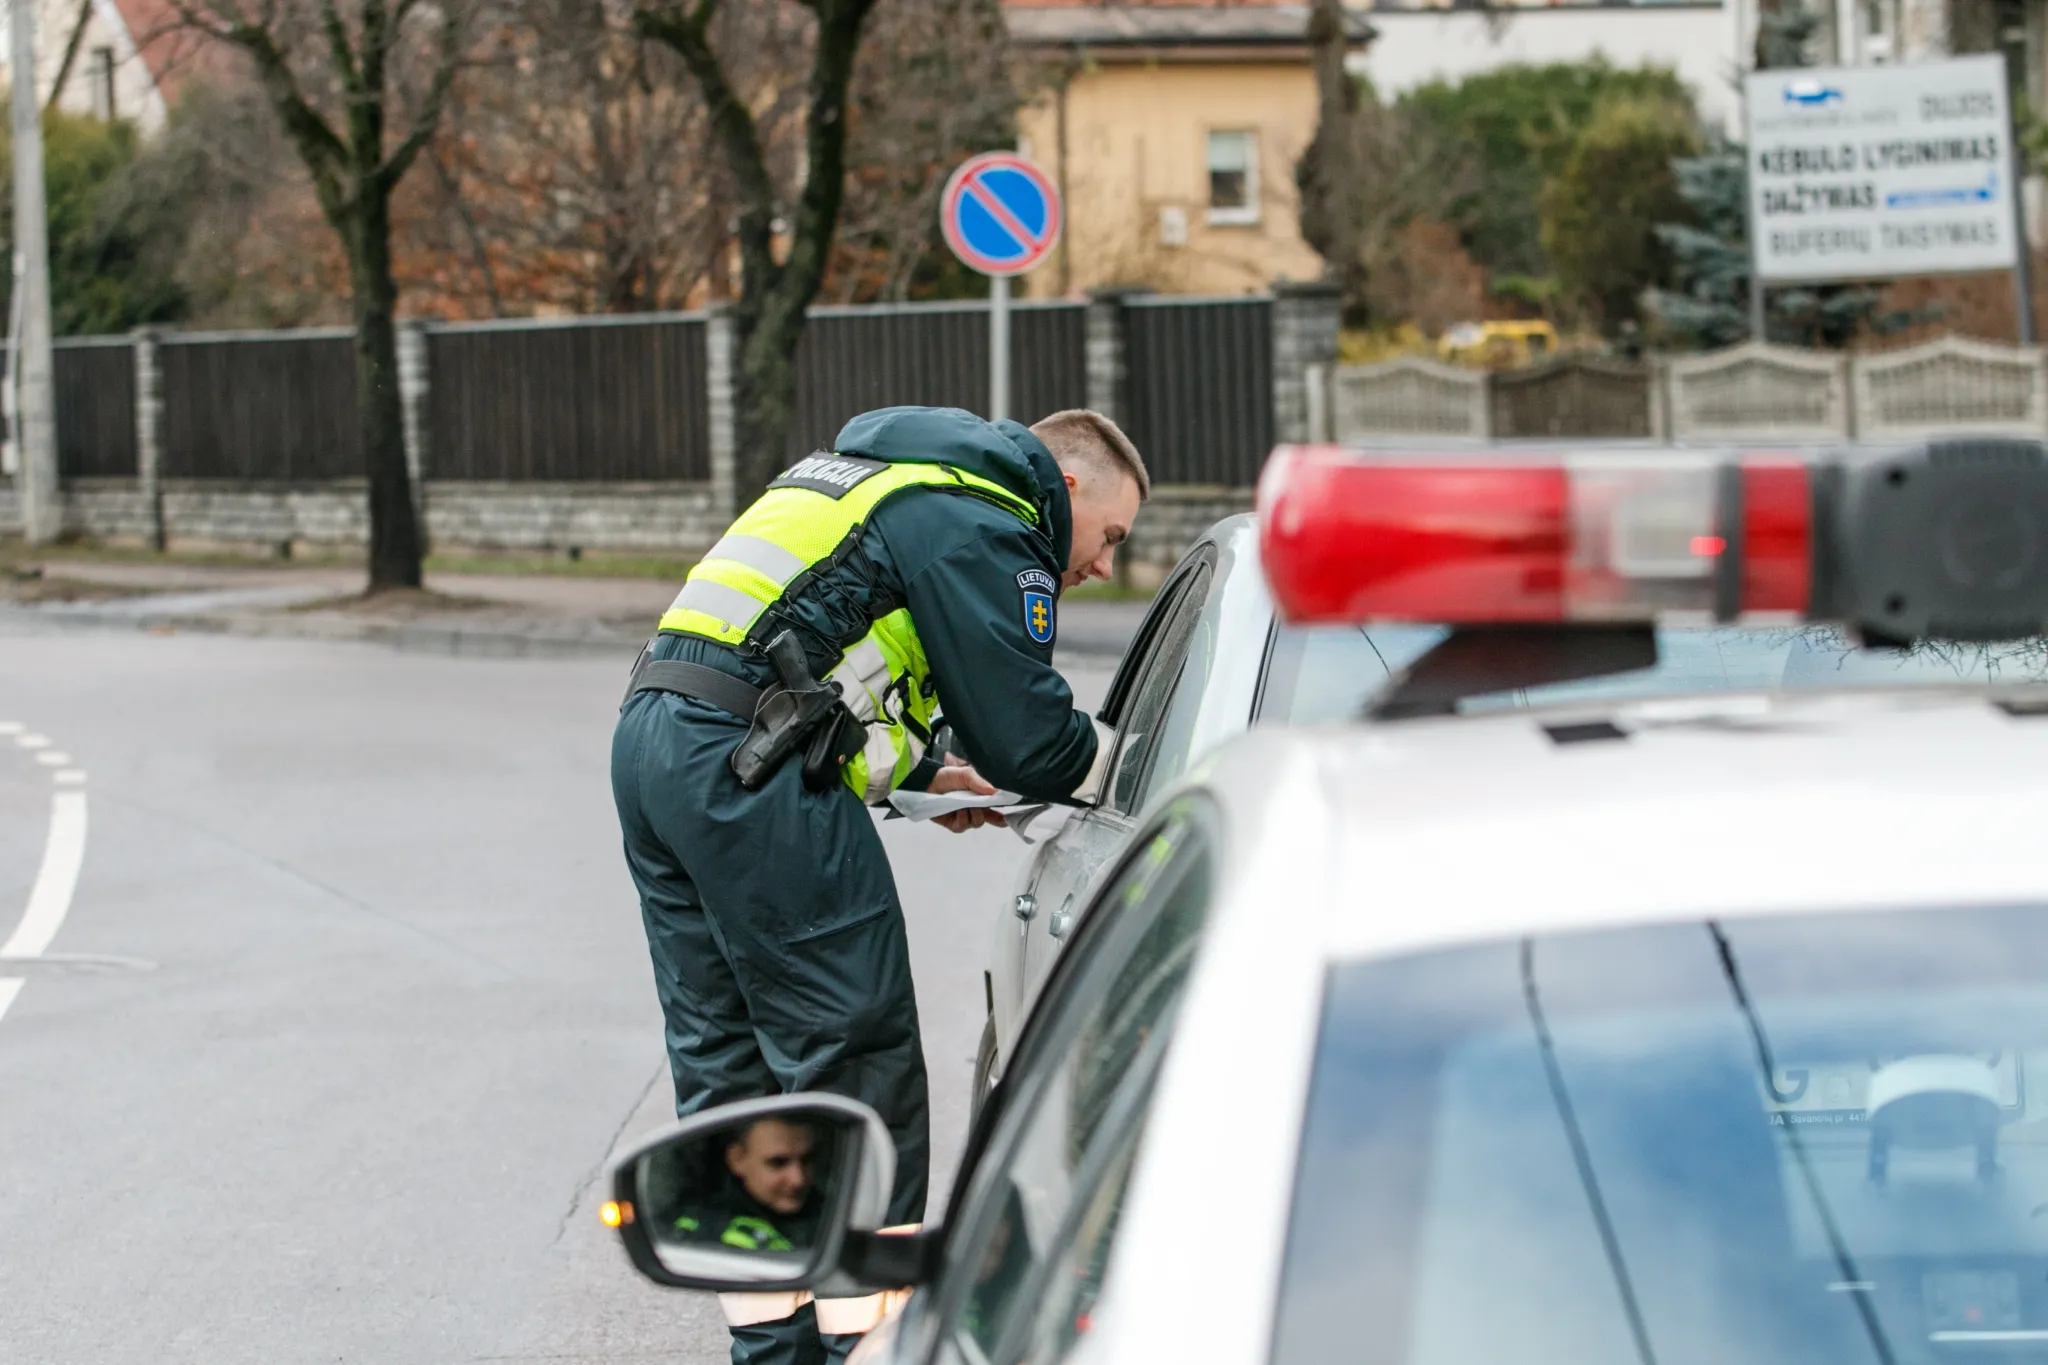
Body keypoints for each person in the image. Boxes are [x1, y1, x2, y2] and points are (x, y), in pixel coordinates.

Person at [612, 405, 1148, 1365]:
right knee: (857, 1067)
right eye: (1111, 535)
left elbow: (803, 677)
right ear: (1065, 489)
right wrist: (1123, 762)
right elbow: (1027, 735)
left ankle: (773, 1353)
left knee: (731, 1074)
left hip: (662, 744)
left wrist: (921, 778)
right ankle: (869, 1349)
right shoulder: (982, 513)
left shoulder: (873, 478)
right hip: (750, 770)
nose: (1104, 565)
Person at [668, 1117, 826, 1254]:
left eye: (807, 1159)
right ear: (737, 1159)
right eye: (778, 1163)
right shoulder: (707, 1234)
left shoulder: (831, 1206)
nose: (798, 1179)